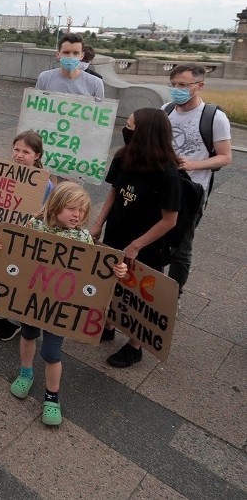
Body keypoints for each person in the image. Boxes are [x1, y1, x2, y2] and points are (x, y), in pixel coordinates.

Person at [0, 182, 127, 426]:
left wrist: (116, 270)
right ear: (55, 207)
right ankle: (26, 373)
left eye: (82, 210)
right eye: (72, 209)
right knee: (28, 335)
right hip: (32, 300)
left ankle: (52, 396)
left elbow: (94, 270)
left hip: (59, 307)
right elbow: (13, 248)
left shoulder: (83, 236)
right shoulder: (34, 225)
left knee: (52, 353)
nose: (78, 215)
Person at [90, 108, 181, 368]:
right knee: (112, 283)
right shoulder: (123, 157)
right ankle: (107, 326)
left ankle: (134, 344)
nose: (126, 130)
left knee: (139, 294)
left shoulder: (167, 173)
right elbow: (114, 193)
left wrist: (136, 245)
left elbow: (169, 220)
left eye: (130, 126)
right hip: (117, 233)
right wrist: (98, 224)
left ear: (145, 133)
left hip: (147, 245)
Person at [162, 63, 232, 293]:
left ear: (199, 85)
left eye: (183, 85)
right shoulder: (166, 110)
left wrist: (194, 164)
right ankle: (151, 291)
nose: (177, 89)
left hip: (191, 191)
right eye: (173, 85)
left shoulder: (214, 117)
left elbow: (224, 157)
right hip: (162, 186)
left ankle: (173, 295)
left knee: (181, 247)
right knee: (155, 239)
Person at [0, 130, 54, 341]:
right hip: (2, 238)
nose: (20, 155)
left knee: (18, 279)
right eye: (16, 149)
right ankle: (1, 314)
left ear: (37, 156)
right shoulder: (2, 173)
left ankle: (14, 322)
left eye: (26, 151)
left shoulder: (45, 184)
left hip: (25, 242)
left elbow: (47, 215)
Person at [35, 33, 104, 97]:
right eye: (66, 52)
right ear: (58, 54)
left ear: (82, 56)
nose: (71, 57)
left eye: (76, 53)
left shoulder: (96, 84)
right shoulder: (44, 78)